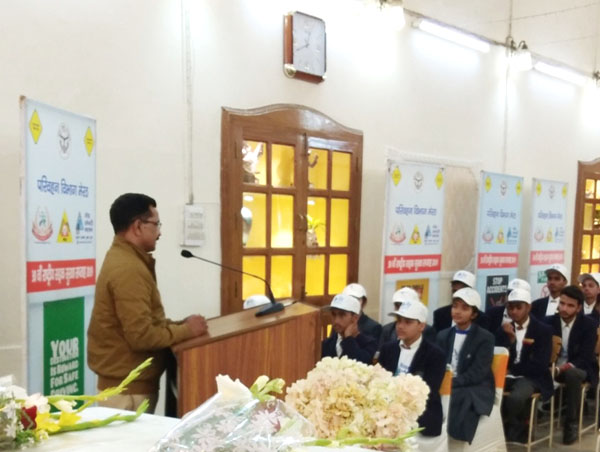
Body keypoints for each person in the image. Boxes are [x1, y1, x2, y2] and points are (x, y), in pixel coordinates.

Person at [87, 193, 208, 413]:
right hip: (126, 392)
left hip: (129, 386)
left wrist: (179, 324)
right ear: (137, 226)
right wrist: (187, 331)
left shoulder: (129, 259)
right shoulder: (128, 269)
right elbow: (141, 336)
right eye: (156, 224)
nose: (159, 232)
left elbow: (146, 321)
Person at [436, 287, 495, 444]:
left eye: (464, 308)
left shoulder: (485, 338)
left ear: (474, 314)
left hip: (474, 386)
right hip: (447, 382)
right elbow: (437, 364)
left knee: (457, 397)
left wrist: (452, 382)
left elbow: (478, 372)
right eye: (455, 306)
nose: (457, 311)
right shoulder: (443, 335)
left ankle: (453, 439)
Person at [494, 288, 553, 443]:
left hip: (533, 376)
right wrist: (511, 342)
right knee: (486, 390)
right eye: (510, 308)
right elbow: (500, 357)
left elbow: (539, 364)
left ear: (528, 307)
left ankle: (517, 426)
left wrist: (513, 368)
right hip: (508, 375)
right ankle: (503, 426)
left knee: (516, 397)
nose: (514, 312)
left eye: (518, 307)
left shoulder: (543, 330)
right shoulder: (503, 330)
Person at [379, 300, 445, 437]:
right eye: (399, 321)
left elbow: (429, 391)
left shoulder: (435, 354)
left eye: (407, 322)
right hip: (386, 408)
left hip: (420, 412)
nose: (400, 326)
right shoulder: (387, 349)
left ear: (421, 326)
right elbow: (379, 381)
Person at [545, 285, 598, 444]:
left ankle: (571, 422)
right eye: (562, 303)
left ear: (579, 308)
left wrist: (562, 368)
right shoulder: (548, 322)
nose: (564, 308)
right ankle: (525, 423)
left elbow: (585, 357)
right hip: (552, 367)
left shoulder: (589, 325)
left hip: (580, 368)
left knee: (572, 374)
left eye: (570, 305)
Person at [321, 293, 377, 364]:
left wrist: (349, 339)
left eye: (342, 315)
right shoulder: (326, 344)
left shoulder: (369, 343)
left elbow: (361, 363)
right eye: (333, 314)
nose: (336, 320)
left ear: (355, 318)